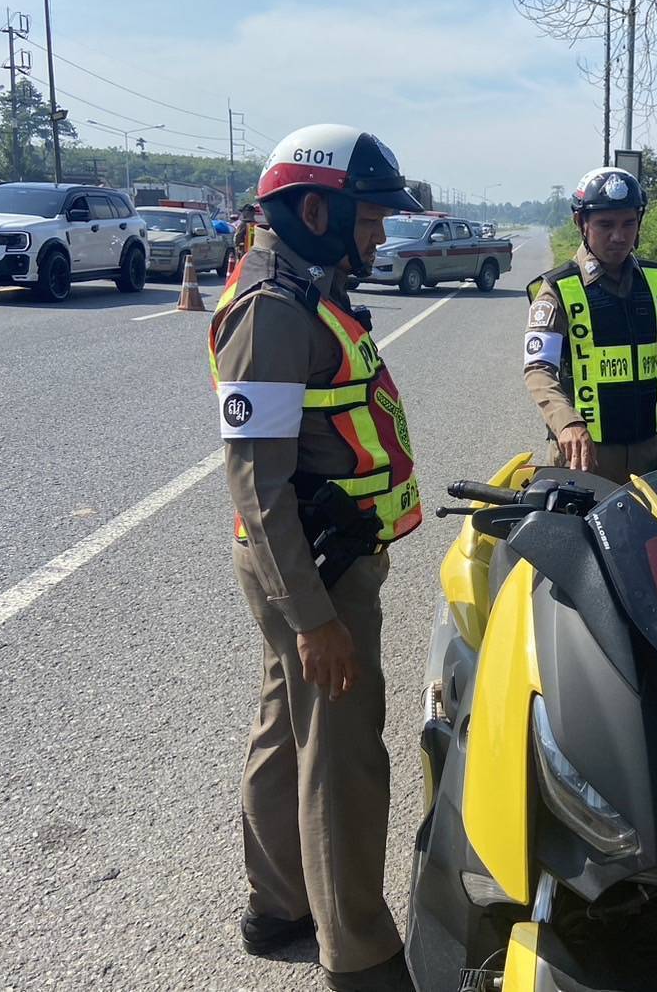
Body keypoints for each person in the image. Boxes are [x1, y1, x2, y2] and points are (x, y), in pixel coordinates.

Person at [209, 124, 425, 992]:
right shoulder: (272, 311)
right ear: (313, 211)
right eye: (368, 219)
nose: (380, 235)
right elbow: (256, 482)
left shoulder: (308, 288)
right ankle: (360, 957)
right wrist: (314, 618)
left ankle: (279, 904)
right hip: (313, 569)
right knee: (342, 758)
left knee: (284, 723)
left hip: (311, 556)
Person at [523, 166, 657, 484]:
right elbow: (538, 369)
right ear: (581, 222)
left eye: (628, 223)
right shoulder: (558, 289)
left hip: (649, 454)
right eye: (605, 224)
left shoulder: (655, 281)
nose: (618, 236)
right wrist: (566, 423)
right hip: (585, 458)